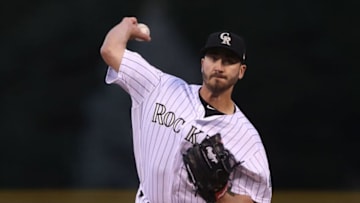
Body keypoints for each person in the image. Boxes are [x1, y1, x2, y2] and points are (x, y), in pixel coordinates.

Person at [100, 16, 272, 203]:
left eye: (229, 61)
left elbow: (255, 200)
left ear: (241, 71)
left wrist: (220, 192)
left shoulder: (247, 139)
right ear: (202, 63)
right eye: (214, 58)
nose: (219, 67)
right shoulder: (158, 87)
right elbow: (110, 50)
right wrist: (126, 25)